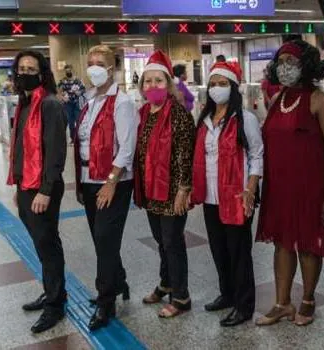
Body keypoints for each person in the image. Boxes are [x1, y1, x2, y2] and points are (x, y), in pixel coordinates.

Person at [255, 40, 324, 327]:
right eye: (281, 62)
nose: (285, 68)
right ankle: (282, 303)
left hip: (310, 188)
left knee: (307, 245)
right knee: (281, 245)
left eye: (291, 62)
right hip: (279, 186)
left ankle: (307, 299)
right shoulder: (276, 100)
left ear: (306, 66)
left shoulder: (323, 102)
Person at [191, 62, 263, 327]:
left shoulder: (245, 119)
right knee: (219, 250)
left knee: (238, 253)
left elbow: (256, 155)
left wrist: (251, 190)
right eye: (213, 84)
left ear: (233, 88)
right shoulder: (205, 120)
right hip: (211, 196)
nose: (216, 89)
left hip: (236, 196)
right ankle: (228, 294)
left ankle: (244, 305)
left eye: (223, 84)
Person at [74, 45, 139, 331]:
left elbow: (127, 147)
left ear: (112, 69)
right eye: (90, 63)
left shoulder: (122, 102)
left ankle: (106, 300)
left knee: (104, 238)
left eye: (100, 63)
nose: (94, 68)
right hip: (89, 180)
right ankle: (120, 279)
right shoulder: (88, 101)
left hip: (113, 182)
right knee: (102, 240)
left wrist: (112, 181)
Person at [7, 50, 68, 334]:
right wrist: (19, 186)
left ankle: (55, 305)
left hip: (44, 188)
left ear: (42, 73)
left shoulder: (50, 104)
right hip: (26, 185)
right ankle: (51, 291)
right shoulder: (25, 103)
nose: (25, 73)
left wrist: (44, 191)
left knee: (48, 244)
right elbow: (21, 148)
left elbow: (56, 152)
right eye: (21, 68)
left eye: (31, 68)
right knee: (41, 245)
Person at [134, 50, 196, 318]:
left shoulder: (179, 114)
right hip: (150, 188)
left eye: (158, 81)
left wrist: (184, 189)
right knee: (160, 240)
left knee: (172, 242)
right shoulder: (144, 112)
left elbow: (186, 154)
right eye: (148, 82)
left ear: (169, 84)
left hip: (173, 192)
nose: (153, 86)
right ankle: (166, 282)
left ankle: (181, 296)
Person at [58, 64, 85, 144]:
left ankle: (79, 137)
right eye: (66, 71)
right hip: (68, 104)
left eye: (69, 70)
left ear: (72, 70)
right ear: (65, 71)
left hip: (76, 103)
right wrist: (62, 97)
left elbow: (83, 89)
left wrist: (79, 92)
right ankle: (73, 138)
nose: (68, 72)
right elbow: (58, 90)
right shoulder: (63, 81)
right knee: (70, 122)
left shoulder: (77, 80)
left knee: (78, 120)